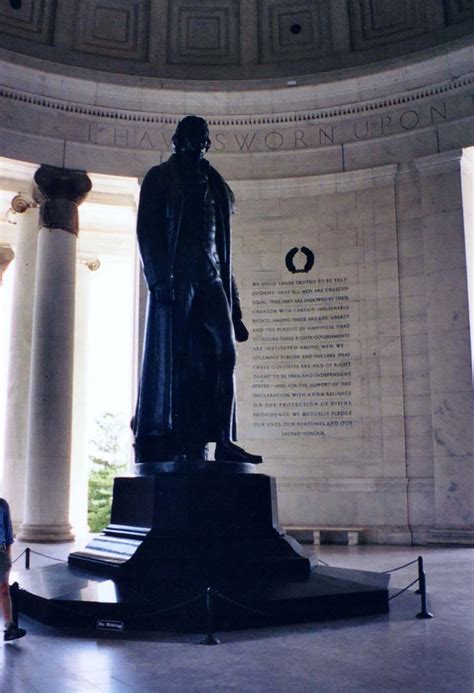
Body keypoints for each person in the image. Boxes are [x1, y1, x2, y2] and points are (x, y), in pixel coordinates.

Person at [132, 115, 262, 465]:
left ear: (207, 143)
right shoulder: (160, 178)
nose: (195, 142)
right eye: (189, 135)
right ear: (177, 139)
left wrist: (235, 311)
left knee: (225, 355)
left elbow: (225, 250)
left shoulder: (217, 184)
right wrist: (159, 281)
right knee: (178, 358)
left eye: (201, 137)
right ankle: (174, 436)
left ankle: (223, 439)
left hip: (211, 274)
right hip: (178, 275)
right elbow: (147, 232)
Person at [0, 498, 26, 641]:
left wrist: (8, 557)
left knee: (4, 589)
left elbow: (8, 534)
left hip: (1, 552)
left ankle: (10, 627)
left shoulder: (2, 504)